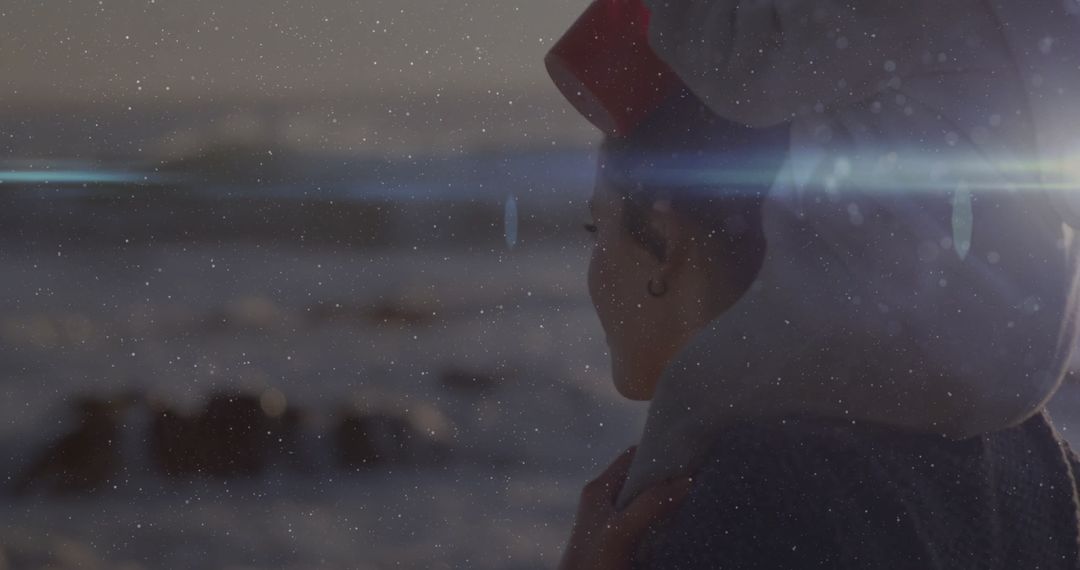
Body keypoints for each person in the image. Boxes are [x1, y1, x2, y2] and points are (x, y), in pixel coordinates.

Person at [547, 0, 1080, 567]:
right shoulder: (1032, 456)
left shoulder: (753, 498)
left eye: (594, 227)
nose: (593, 270)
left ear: (663, 239)